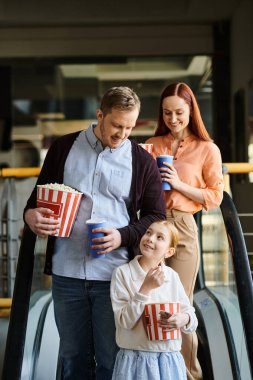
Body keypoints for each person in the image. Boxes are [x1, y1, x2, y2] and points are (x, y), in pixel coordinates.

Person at [24, 86, 166, 380]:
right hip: (66, 274)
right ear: (100, 115)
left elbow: (157, 215)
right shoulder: (63, 148)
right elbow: (35, 202)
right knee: (73, 359)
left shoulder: (142, 160)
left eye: (129, 127)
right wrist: (31, 216)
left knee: (111, 359)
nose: (122, 134)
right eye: (116, 125)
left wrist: (122, 236)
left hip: (114, 276)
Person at [145, 82, 224, 380]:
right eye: (167, 113)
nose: (173, 119)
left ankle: (190, 374)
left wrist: (177, 184)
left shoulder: (207, 149)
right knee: (149, 300)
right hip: (152, 225)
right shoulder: (153, 144)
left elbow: (215, 196)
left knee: (179, 304)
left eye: (179, 112)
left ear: (191, 110)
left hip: (182, 225)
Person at [110, 220, 198, 380]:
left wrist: (183, 319)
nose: (150, 238)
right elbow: (125, 321)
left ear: (170, 252)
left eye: (160, 237)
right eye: (148, 232)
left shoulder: (172, 276)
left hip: (169, 360)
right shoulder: (122, 273)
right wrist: (145, 289)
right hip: (135, 360)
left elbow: (191, 316)